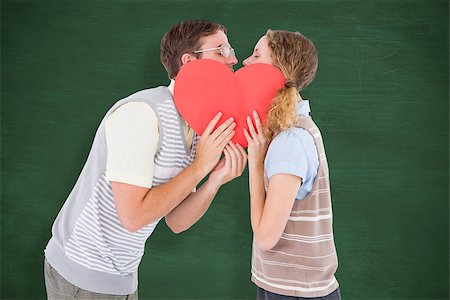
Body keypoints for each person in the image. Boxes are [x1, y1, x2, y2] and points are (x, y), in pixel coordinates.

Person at [44, 19, 247, 299]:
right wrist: (201, 165)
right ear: (189, 63)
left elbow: (176, 221)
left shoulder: (199, 127)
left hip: (124, 276)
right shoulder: (140, 114)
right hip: (82, 271)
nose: (233, 59)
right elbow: (133, 216)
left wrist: (215, 179)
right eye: (221, 50)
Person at [243, 30, 340, 299]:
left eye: (257, 55)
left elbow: (265, 238)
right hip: (289, 287)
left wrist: (255, 164)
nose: (245, 62)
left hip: (294, 292)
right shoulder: (289, 131)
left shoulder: (290, 140)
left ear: (277, 72)